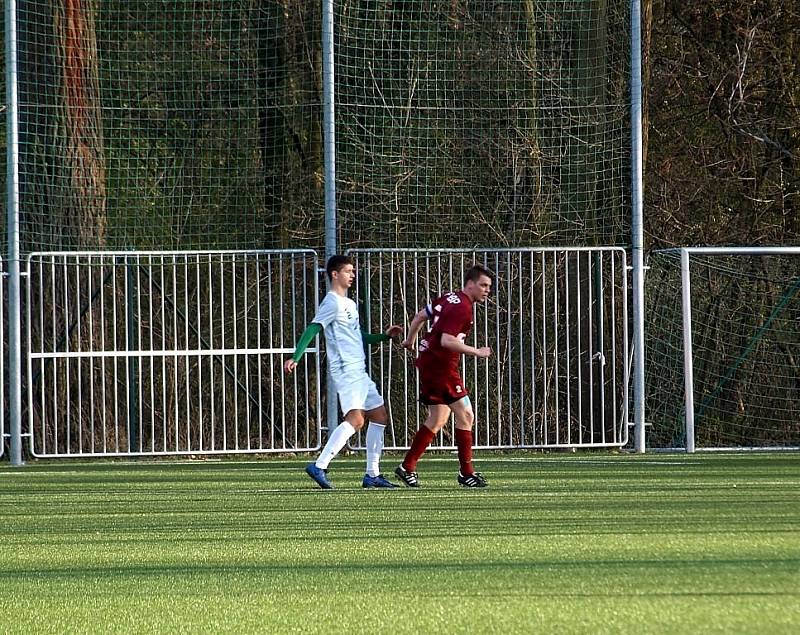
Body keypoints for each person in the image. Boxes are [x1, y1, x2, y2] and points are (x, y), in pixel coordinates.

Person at [284, 255, 402, 489]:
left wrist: (384, 336)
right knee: (357, 420)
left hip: (360, 369)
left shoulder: (349, 304)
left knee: (379, 416)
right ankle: (320, 465)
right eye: (348, 271)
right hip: (346, 369)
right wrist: (295, 357)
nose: (352, 275)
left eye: (353, 271)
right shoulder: (331, 303)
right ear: (334, 274)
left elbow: (359, 337)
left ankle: (372, 475)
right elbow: (313, 329)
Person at [395, 264, 493, 488]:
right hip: (441, 366)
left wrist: (411, 340)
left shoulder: (450, 297)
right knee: (466, 415)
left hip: (429, 362)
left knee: (438, 417)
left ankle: (407, 466)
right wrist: (477, 351)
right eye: (483, 285)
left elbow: (420, 316)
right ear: (470, 284)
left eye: (489, 286)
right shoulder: (463, 308)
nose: (487, 290)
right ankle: (466, 473)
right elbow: (447, 341)